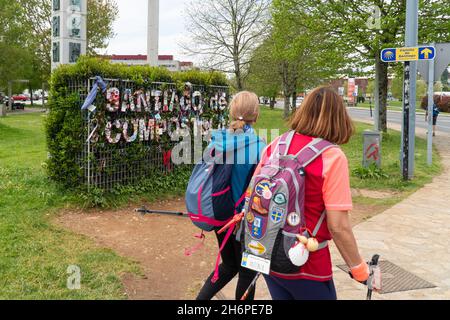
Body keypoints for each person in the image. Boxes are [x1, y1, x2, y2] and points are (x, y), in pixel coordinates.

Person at [253, 86, 369, 300]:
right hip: (307, 263)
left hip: (267, 252)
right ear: (338, 117)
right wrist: (359, 269)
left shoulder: (276, 145)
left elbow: (253, 192)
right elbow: (338, 226)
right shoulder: (332, 156)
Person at [196, 91, 266, 300]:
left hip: (219, 213)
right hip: (244, 220)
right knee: (247, 271)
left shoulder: (217, 141)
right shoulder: (261, 147)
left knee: (228, 265)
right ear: (256, 114)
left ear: (232, 112)